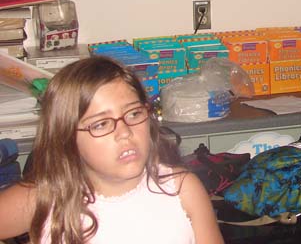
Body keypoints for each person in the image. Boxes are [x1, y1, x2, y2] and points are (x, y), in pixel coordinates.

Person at [0, 56, 224, 244]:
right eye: (101, 124)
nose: (124, 132)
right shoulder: (46, 197)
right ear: (66, 138)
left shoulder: (182, 190)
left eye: (134, 114)